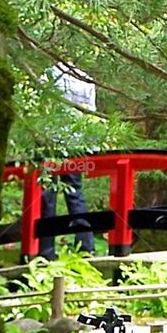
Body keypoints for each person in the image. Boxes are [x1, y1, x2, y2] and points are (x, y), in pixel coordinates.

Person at [39, 63, 98, 260]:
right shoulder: (86, 80)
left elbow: (42, 110)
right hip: (76, 145)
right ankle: (86, 247)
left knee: (48, 195)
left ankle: (46, 251)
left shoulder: (49, 74)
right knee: (75, 193)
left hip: (51, 142)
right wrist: (91, 147)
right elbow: (91, 115)